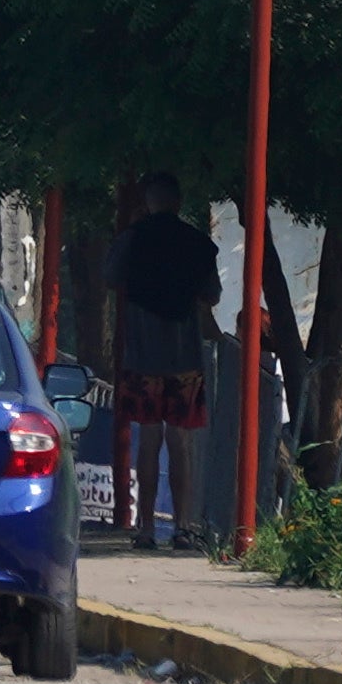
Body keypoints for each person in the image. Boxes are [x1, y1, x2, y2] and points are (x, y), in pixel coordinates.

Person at [110, 172, 220, 553]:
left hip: (142, 356)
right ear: (178, 202)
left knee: (149, 438)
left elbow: (111, 276)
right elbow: (212, 295)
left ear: (148, 202)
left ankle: (144, 528)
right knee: (180, 440)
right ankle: (183, 527)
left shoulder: (132, 239)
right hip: (184, 357)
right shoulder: (198, 244)